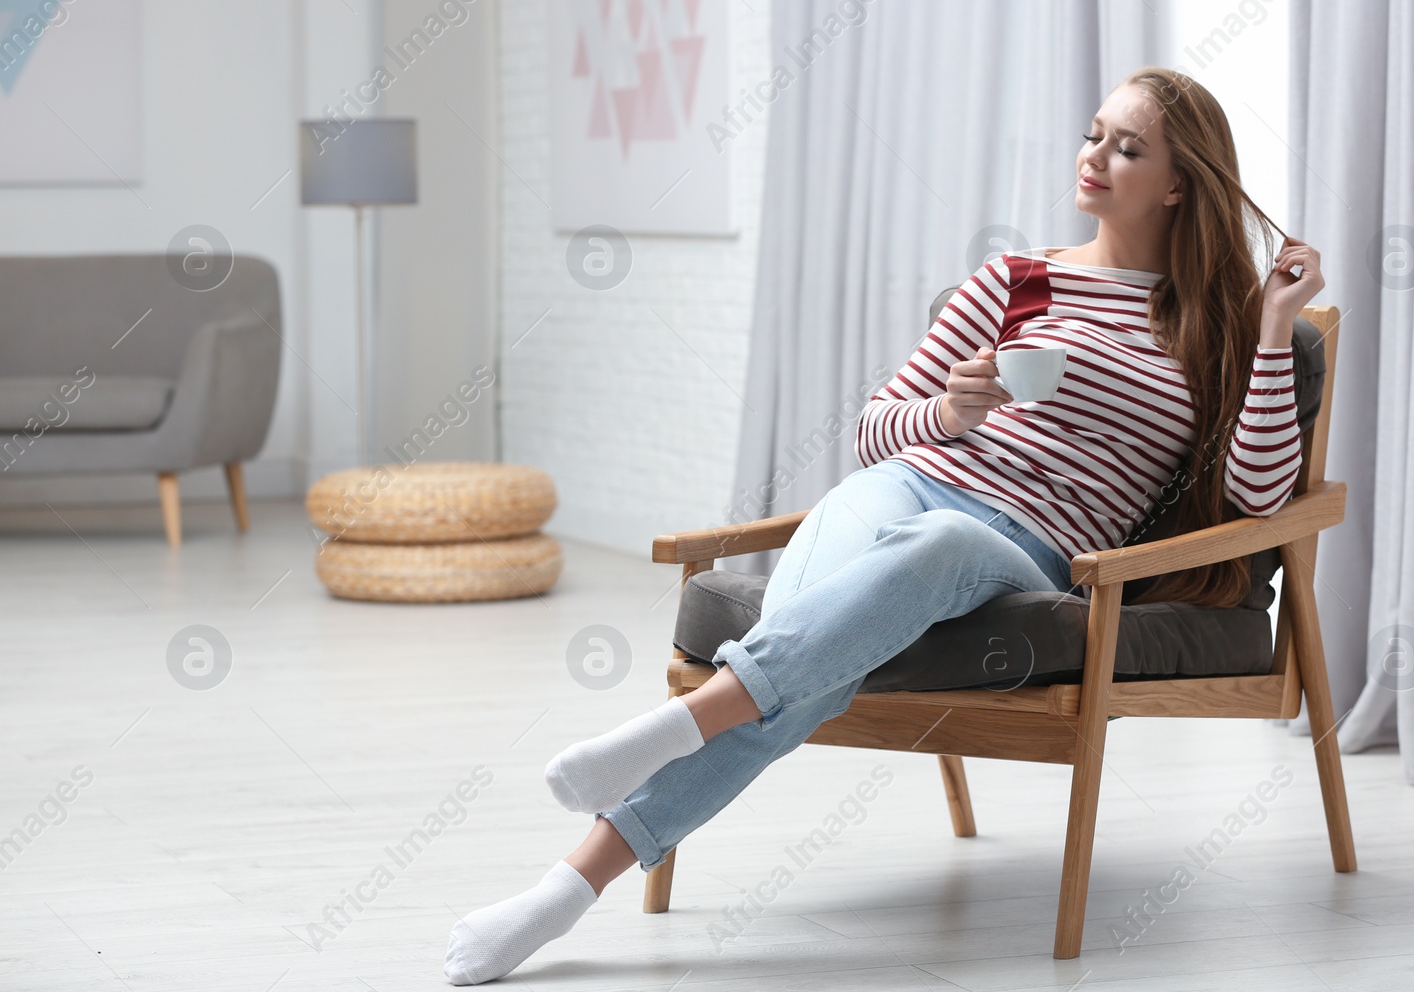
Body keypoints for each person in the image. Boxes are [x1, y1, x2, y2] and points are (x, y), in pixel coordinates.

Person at [442, 65, 1327, 985]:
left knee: (920, 561)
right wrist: (949, 414)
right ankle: (558, 894)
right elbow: (875, 433)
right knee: (807, 669)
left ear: (1180, 181)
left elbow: (1260, 498)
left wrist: (1272, 329)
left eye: (1127, 146)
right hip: (902, 487)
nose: (1094, 156)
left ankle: (664, 738)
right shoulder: (1014, 280)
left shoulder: (1219, 327)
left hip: (1021, 546)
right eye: (1093, 133)